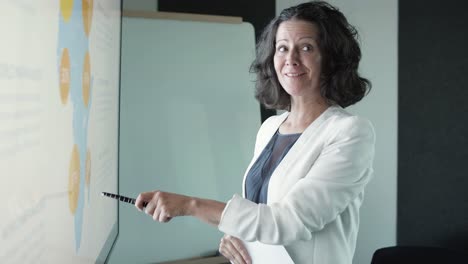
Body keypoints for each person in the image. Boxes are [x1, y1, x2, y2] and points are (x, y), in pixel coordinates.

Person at [135, 1, 375, 263]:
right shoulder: (270, 128)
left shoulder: (350, 132)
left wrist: (191, 206)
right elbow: (259, 214)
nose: (291, 59)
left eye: (306, 47)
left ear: (331, 59)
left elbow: (288, 223)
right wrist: (236, 238)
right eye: (282, 48)